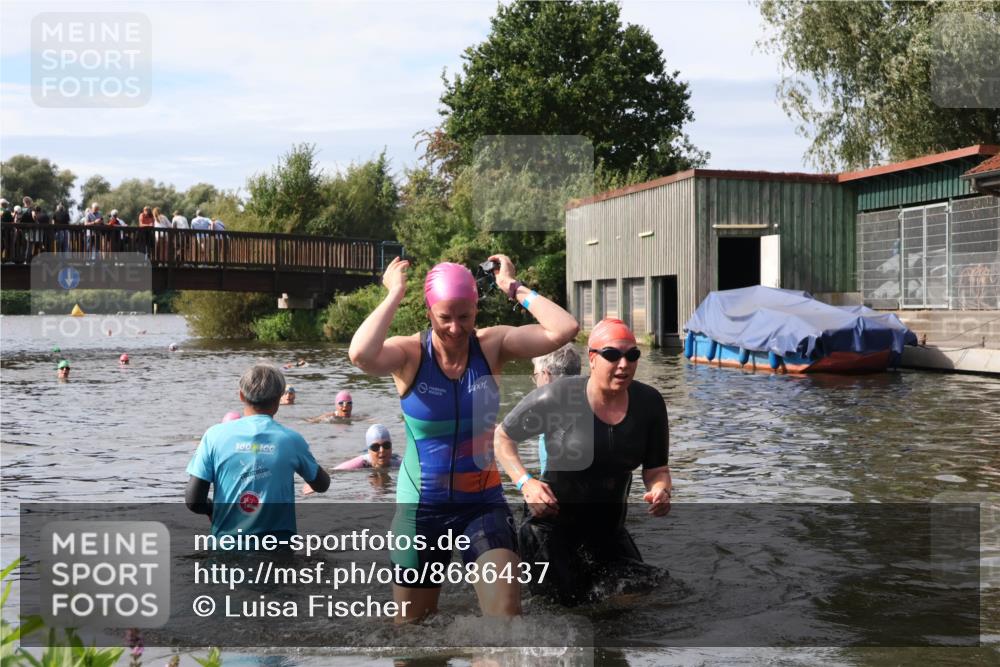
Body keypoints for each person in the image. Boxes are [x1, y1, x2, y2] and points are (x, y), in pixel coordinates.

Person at [348, 255, 579, 622]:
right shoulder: (409, 353)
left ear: (476, 311)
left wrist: (512, 287)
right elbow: (360, 354)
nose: (456, 328)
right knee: (413, 633)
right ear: (429, 314)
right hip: (420, 509)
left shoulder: (492, 345)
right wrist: (395, 293)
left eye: (465, 316)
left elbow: (565, 328)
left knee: (505, 622)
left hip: (482, 505)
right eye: (445, 317)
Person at [494, 318, 672, 606]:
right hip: (550, 528)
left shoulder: (649, 404)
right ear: (592, 358)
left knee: (646, 593)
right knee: (565, 612)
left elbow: (657, 470)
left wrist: (661, 490)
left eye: (632, 355)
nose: (624, 364)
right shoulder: (557, 396)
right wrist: (526, 483)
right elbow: (502, 438)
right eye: (613, 355)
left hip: (607, 530)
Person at [185, 364, 331, 538]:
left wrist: (213, 510)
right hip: (277, 549)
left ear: (241, 395)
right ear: (278, 400)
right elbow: (322, 485)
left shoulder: (213, 436)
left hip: (226, 546)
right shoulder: (292, 440)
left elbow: (193, 501)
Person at [529, 343, 582, 475]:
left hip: (555, 492)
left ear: (545, 375)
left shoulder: (547, 408)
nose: (535, 382)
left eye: (535, 376)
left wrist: (524, 482)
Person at [335, 424, 402, 470]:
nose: (382, 450)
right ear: (369, 450)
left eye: (386, 445)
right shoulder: (362, 462)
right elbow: (334, 472)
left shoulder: (398, 463)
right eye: (375, 447)